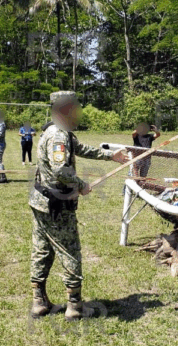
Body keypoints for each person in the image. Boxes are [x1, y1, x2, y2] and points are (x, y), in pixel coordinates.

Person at [29, 91, 126, 321]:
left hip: (42, 202)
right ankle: (75, 306)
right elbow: (60, 170)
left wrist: (111, 156)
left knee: (42, 250)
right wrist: (81, 184)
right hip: (56, 205)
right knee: (69, 251)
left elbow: (81, 149)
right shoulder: (58, 136)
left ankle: (38, 302)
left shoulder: (61, 133)